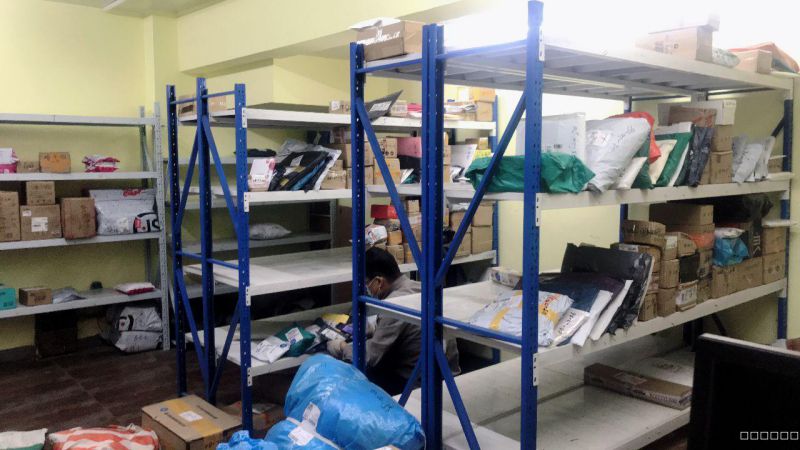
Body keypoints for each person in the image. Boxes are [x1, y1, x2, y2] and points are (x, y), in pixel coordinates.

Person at [327, 247, 460, 395]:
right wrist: (374, 328)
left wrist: (342, 346)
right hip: (447, 375)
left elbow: (370, 357)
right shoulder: (419, 287)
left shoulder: (393, 304)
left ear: (379, 281)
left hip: (419, 384)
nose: (366, 289)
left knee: (351, 374)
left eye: (366, 283)